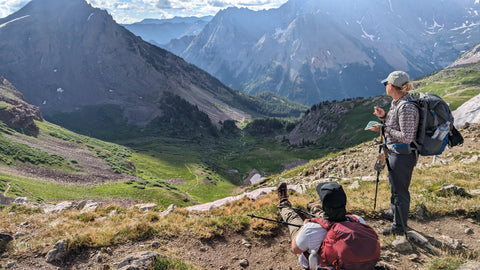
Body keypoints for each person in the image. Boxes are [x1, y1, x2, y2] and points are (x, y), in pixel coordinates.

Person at [277, 182, 379, 269]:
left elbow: (295, 249)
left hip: (320, 266)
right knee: (327, 219)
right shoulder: (358, 220)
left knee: (293, 219)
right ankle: (314, 206)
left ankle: (283, 203)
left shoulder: (310, 230)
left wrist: (303, 226)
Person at [368, 70, 419, 236]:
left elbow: (407, 137)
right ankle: (395, 213)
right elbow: (397, 127)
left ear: (390, 86)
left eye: (386, 84)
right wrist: (384, 118)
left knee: (400, 191)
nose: (385, 87)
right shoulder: (399, 102)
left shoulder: (406, 107)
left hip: (403, 155)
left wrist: (383, 128)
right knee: (395, 186)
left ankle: (399, 227)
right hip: (396, 152)